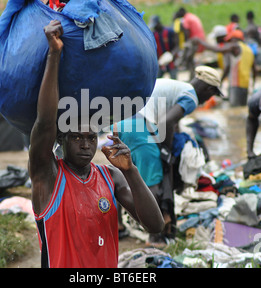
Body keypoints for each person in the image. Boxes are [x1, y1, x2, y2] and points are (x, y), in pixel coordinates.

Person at [28, 20, 164, 268]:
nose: (85, 144)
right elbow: (45, 122)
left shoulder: (110, 177)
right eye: (76, 137)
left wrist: (131, 171)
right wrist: (54, 54)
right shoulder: (48, 175)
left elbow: (155, 225)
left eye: (90, 138)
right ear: (61, 140)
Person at [116, 65, 223, 245]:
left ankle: (118, 225)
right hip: (139, 127)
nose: (208, 100)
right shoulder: (191, 97)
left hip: (121, 122)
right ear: (209, 89)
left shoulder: (176, 86)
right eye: (212, 95)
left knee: (128, 175)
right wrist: (165, 152)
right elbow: (167, 122)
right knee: (154, 184)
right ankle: (155, 236)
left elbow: (171, 124)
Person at [193, 29, 256, 107]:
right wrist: (253, 84)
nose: (229, 43)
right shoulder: (249, 50)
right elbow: (254, 69)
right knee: (241, 107)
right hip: (246, 84)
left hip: (236, 84)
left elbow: (218, 50)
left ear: (235, 39)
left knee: (234, 109)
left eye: (230, 40)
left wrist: (200, 42)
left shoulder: (235, 46)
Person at [149, 15, 179, 79]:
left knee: (174, 80)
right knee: (157, 80)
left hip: (171, 61)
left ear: (158, 23)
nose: (155, 28)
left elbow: (177, 45)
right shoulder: (154, 34)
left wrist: (172, 54)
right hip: (161, 62)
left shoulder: (169, 32)